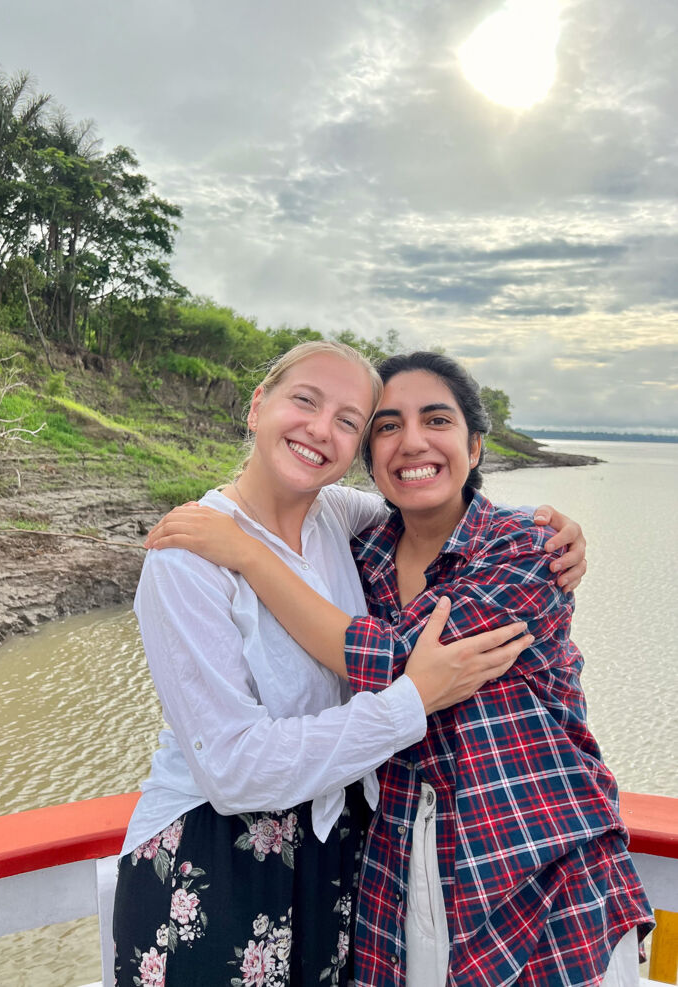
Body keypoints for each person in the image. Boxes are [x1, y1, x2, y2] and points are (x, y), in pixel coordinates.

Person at [146, 351, 651, 987]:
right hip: (395, 880)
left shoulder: (525, 549)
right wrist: (241, 541)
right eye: (386, 426)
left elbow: (396, 663)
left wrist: (248, 554)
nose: (412, 442)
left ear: (474, 443)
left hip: (538, 872)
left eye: (436, 420)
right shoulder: (364, 547)